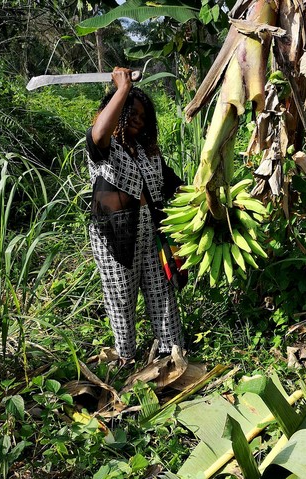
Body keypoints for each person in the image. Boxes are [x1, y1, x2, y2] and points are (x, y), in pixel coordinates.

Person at [86, 66, 184, 365]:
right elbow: (101, 131)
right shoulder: (104, 147)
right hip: (116, 236)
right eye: (131, 112)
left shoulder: (148, 151)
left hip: (152, 232)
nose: (137, 120)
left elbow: (173, 185)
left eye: (142, 116)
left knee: (162, 292)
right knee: (122, 299)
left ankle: (172, 353)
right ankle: (126, 358)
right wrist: (122, 88)